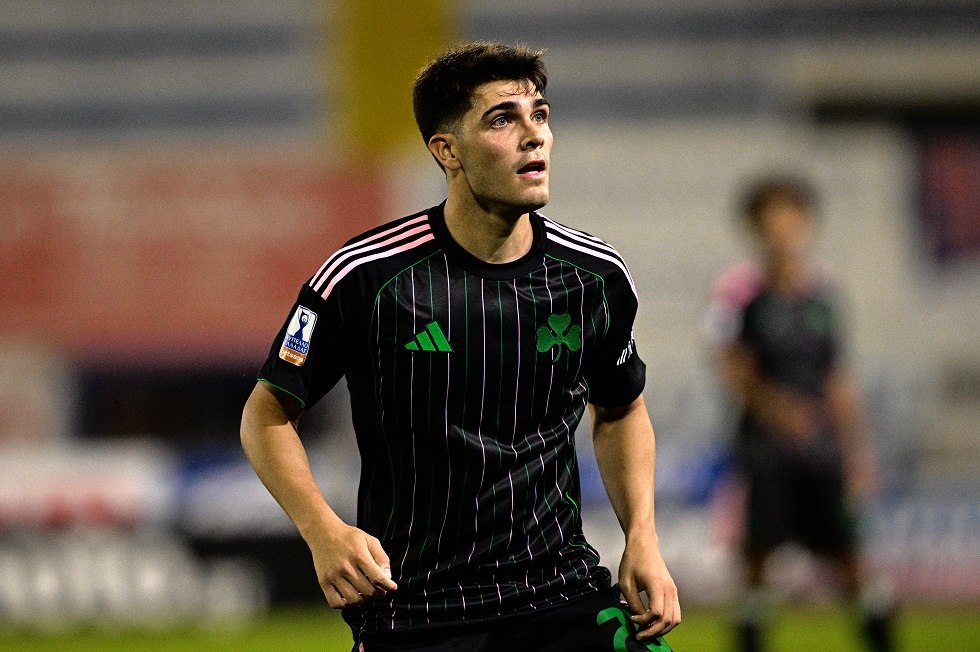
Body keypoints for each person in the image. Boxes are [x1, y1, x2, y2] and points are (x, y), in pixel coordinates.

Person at [240, 41, 680, 651]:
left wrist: (643, 537)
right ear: (446, 150)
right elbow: (266, 414)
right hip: (417, 612)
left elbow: (622, 408)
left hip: (561, 595)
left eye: (540, 115)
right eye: (502, 119)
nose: (534, 135)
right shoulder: (367, 277)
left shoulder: (593, 277)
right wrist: (323, 531)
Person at [702, 175, 896, 652]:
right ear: (756, 228)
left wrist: (855, 451)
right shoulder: (738, 292)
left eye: (791, 218)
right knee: (756, 562)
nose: (784, 231)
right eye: (772, 221)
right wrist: (777, 410)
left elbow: (837, 378)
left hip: (822, 450)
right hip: (766, 449)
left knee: (851, 561)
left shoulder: (824, 295)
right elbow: (730, 366)